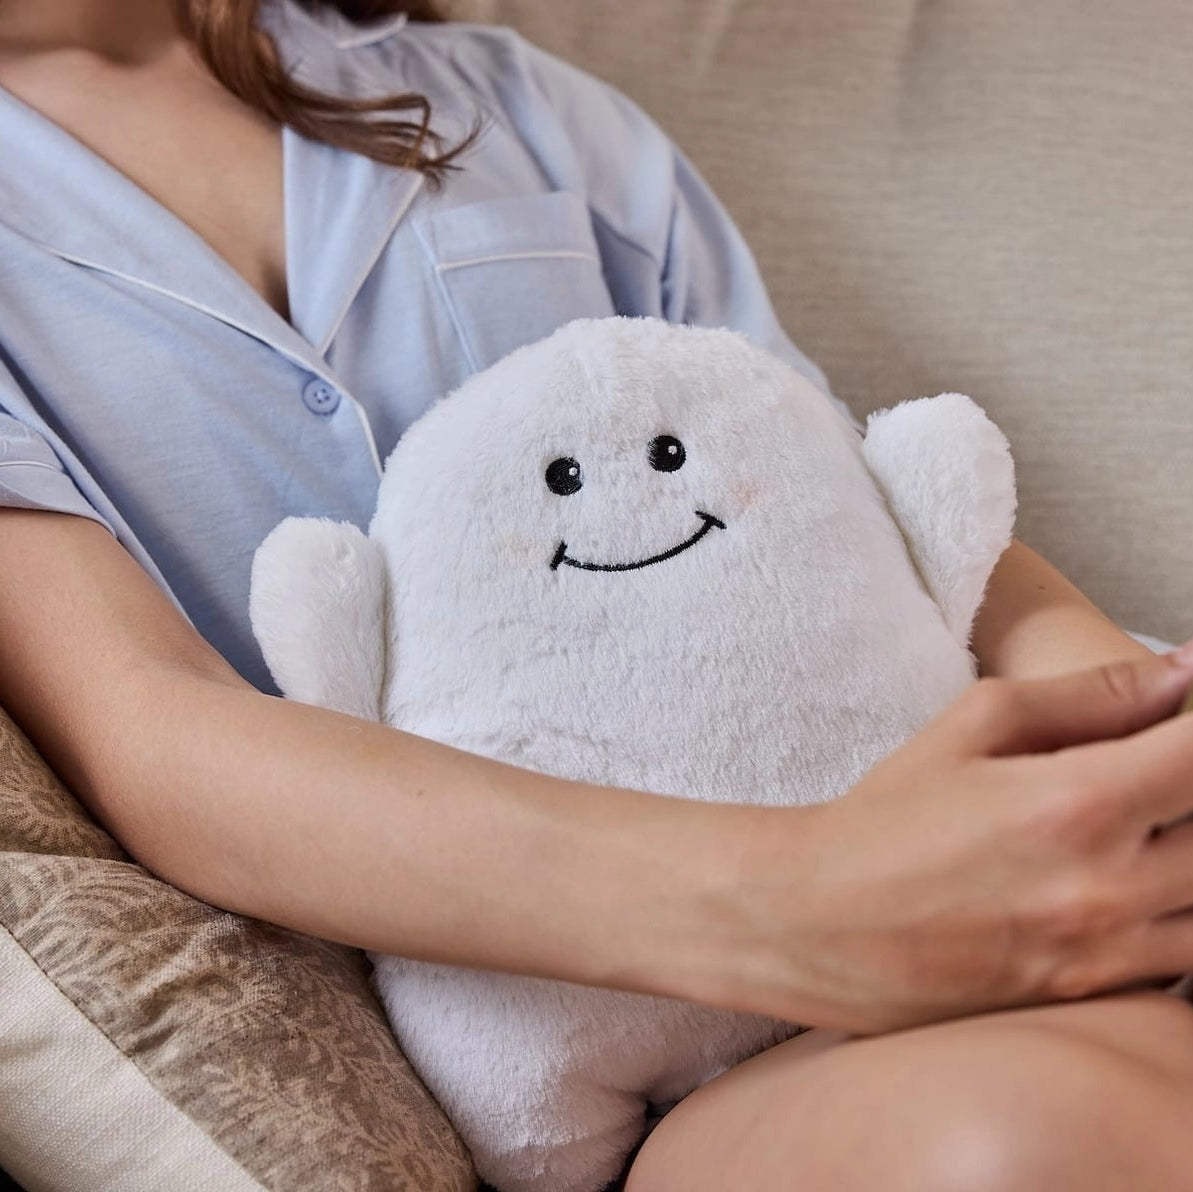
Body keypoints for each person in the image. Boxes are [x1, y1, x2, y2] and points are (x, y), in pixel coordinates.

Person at [2, 1, 1193, 1187]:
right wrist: (813, 897)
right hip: (639, 1058)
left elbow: (843, 488)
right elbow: (151, 725)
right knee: (1040, 1135)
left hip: (981, 853)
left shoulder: (514, 102)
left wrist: (1128, 727)